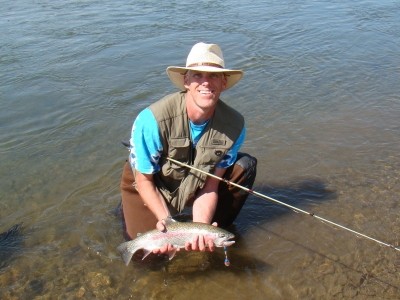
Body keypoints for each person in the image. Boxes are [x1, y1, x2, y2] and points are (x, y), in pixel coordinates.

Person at [120, 42, 257, 255]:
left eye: (213, 76)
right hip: (146, 185)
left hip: (191, 185)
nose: (206, 82)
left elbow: (210, 187)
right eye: (197, 75)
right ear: (186, 81)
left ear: (223, 82)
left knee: (244, 165)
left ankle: (215, 230)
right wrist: (167, 223)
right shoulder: (151, 120)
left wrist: (200, 229)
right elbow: (144, 181)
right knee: (143, 255)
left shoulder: (235, 126)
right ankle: (129, 212)